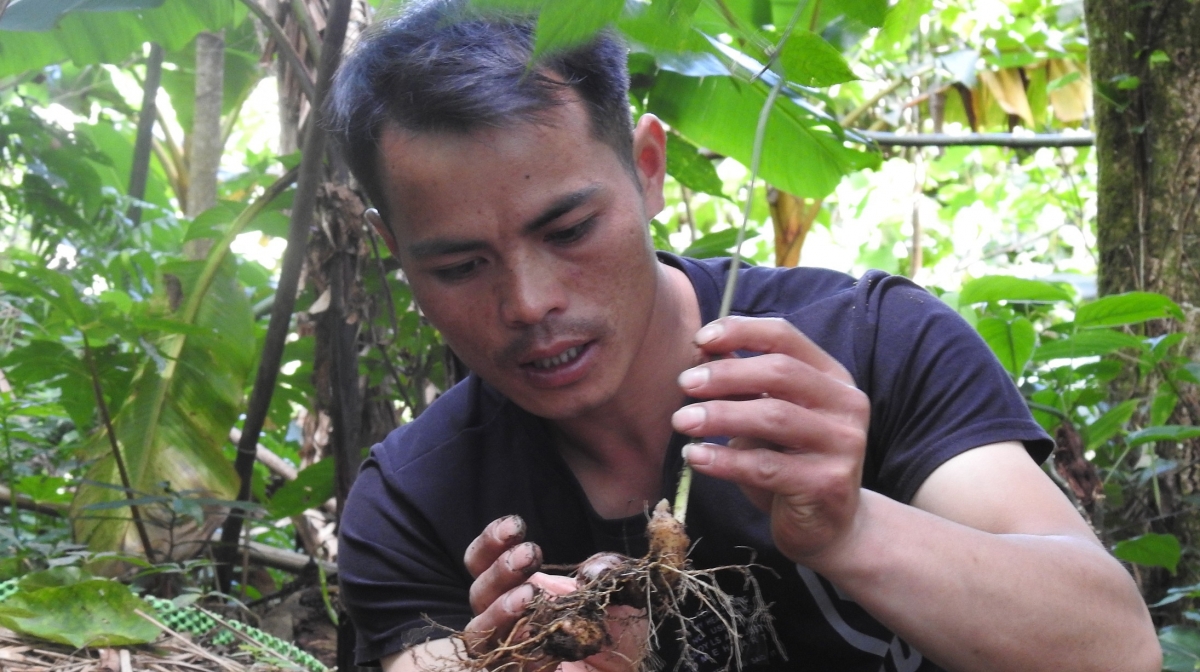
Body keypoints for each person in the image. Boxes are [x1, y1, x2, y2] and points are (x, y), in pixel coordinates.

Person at [326, 1, 1161, 670]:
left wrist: (851, 529)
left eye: (570, 229)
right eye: (462, 266)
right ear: (395, 250)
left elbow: (1116, 651)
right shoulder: (412, 502)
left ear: (647, 170)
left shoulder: (875, 345)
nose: (529, 302)